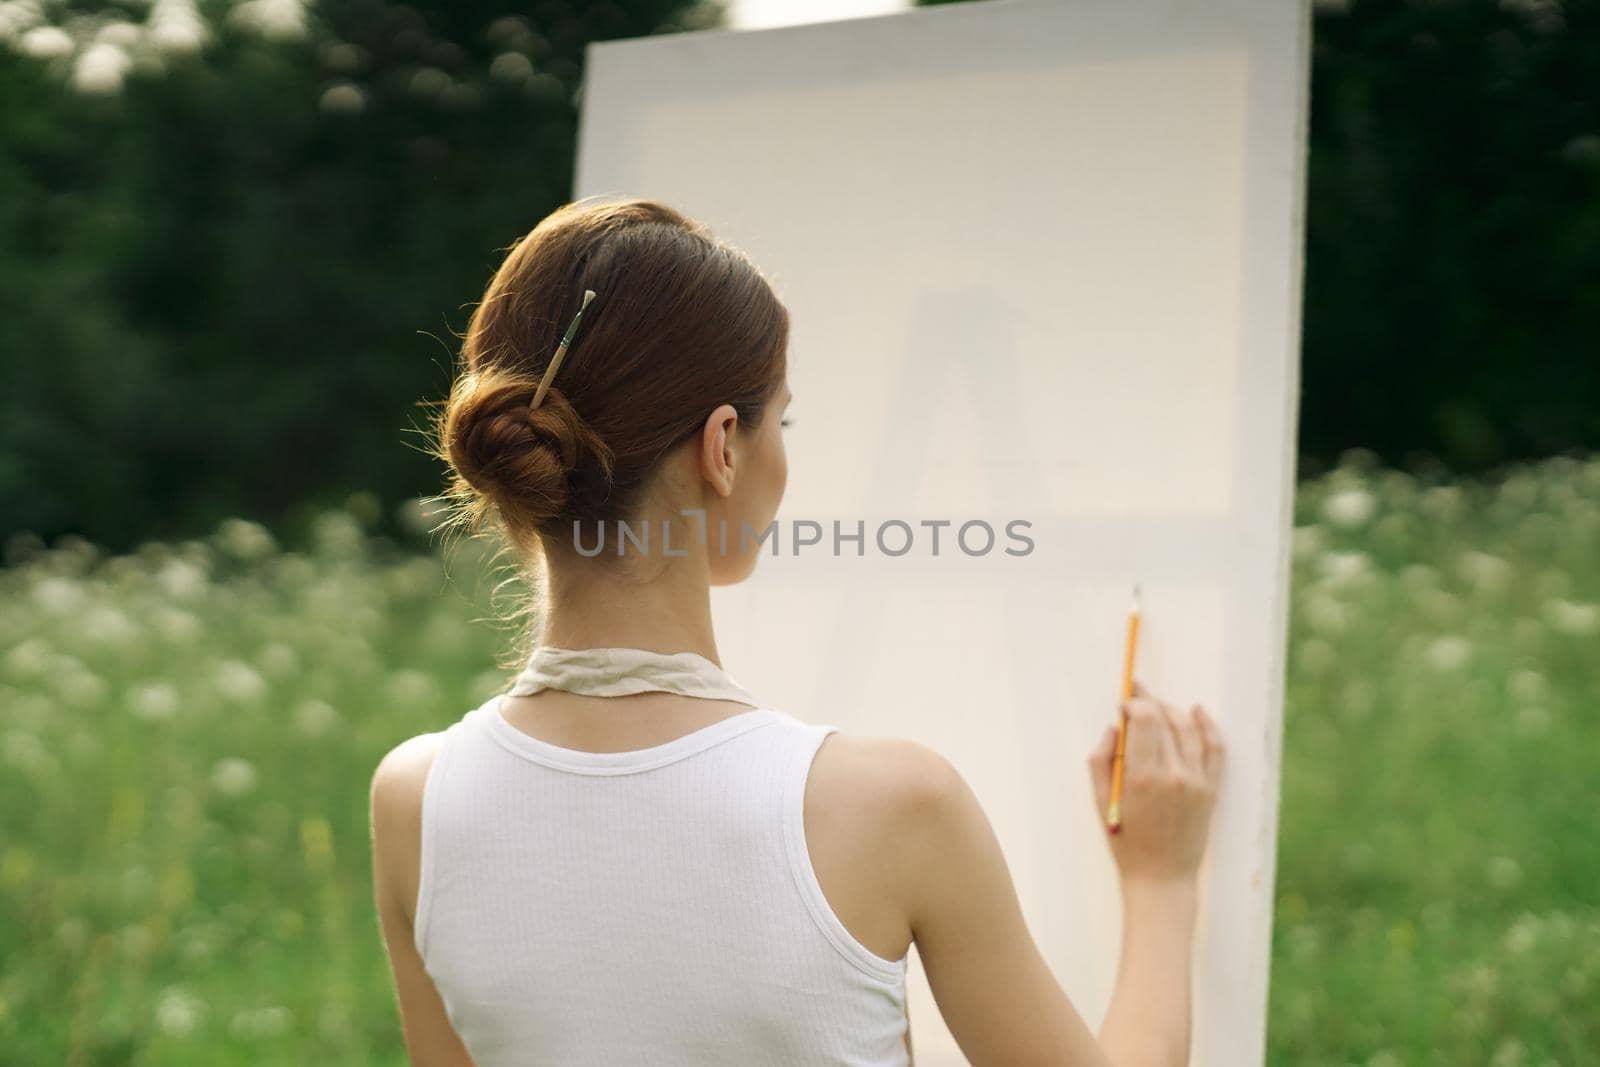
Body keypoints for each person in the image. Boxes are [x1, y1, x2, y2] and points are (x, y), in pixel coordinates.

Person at [368, 196, 1226, 1066]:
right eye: (785, 418)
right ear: (725, 446)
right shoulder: (892, 806)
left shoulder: (413, 801)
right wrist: (1162, 881)